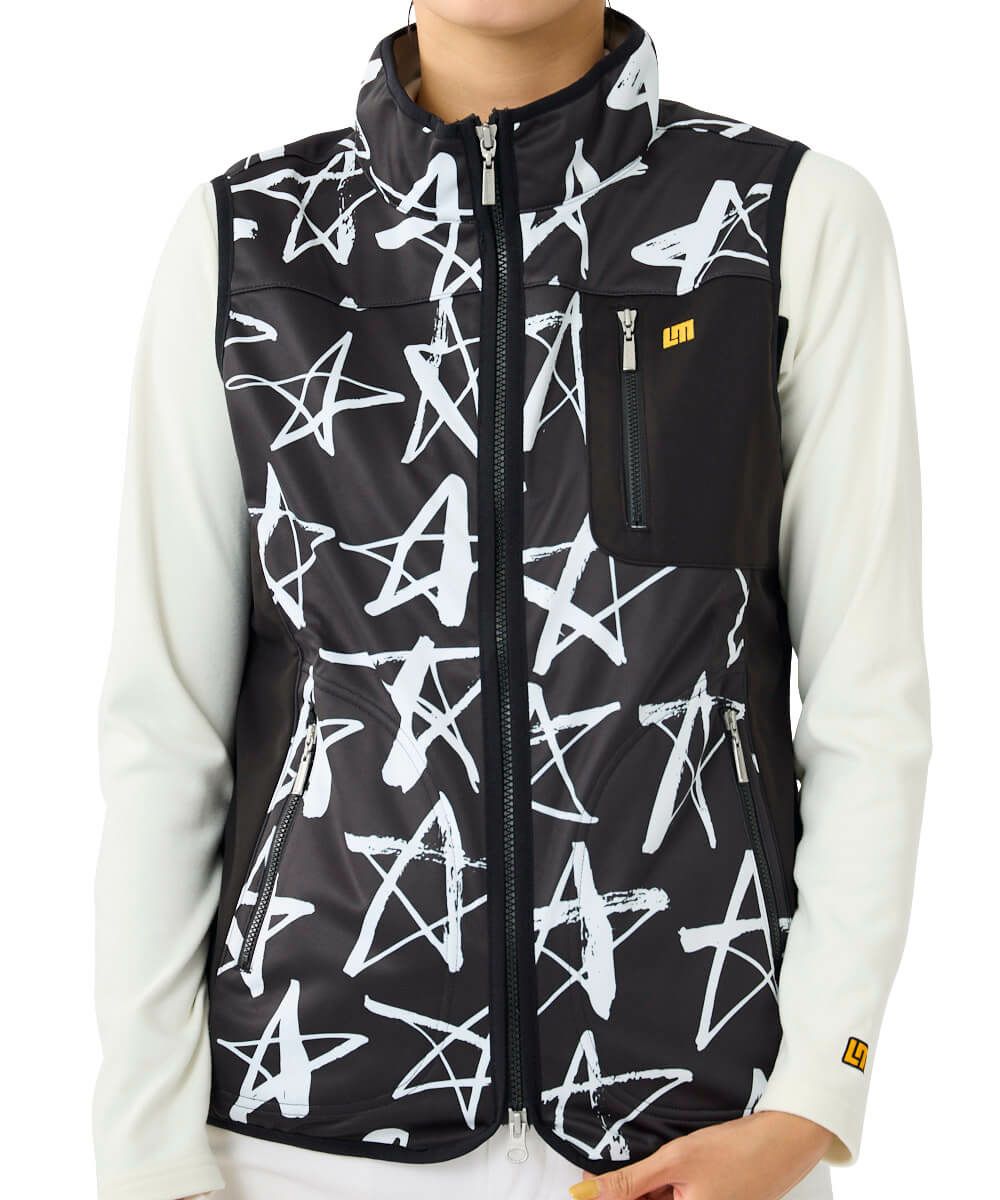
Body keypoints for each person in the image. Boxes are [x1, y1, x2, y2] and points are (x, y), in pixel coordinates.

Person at [92, 2, 931, 1198]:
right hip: (298, 1140)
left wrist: (813, 1100)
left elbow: (867, 704)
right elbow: (161, 729)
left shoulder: (781, 218)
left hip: (696, 1141)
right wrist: (147, 1165)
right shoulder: (251, 239)